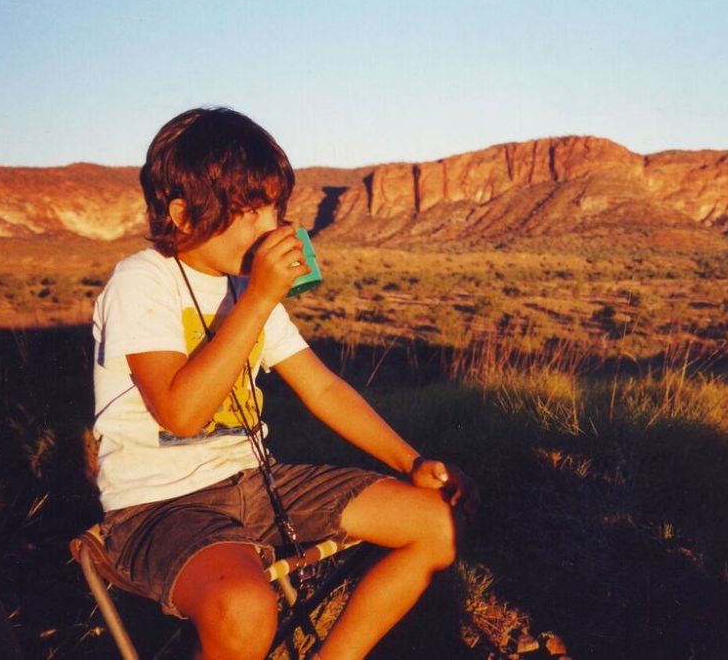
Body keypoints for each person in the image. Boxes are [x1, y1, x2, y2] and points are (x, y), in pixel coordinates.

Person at [91, 107, 476, 660]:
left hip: (253, 482)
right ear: (182, 213)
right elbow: (180, 413)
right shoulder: (141, 281)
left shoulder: (247, 289)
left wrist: (410, 462)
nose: (269, 227)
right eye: (249, 211)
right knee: (246, 606)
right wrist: (259, 298)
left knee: (436, 525)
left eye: (274, 207)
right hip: (159, 506)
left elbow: (321, 388)